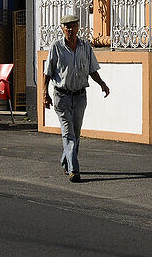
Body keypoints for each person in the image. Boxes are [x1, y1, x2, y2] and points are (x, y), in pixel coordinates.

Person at [42, 13, 109, 182]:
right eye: (67, 27)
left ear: (78, 28)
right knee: (68, 133)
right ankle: (74, 170)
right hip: (61, 96)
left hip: (79, 96)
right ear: (62, 29)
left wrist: (102, 83)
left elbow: (92, 69)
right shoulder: (56, 47)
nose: (70, 30)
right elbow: (47, 73)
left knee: (76, 132)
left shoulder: (85, 47)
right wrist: (44, 93)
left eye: (73, 26)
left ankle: (66, 160)